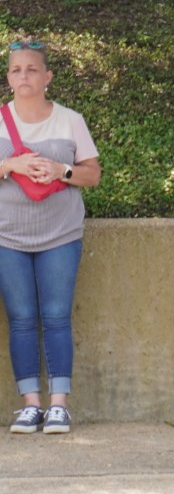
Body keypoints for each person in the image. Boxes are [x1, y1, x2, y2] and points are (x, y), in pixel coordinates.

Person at [0, 38, 102, 435]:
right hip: (7, 237)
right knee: (21, 319)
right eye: (16, 70)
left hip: (60, 235)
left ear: (48, 77)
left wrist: (62, 170)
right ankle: (31, 405)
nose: (23, 76)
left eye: (32, 69)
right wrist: (11, 164)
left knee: (57, 317)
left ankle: (59, 406)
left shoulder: (70, 120)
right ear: (9, 79)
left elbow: (92, 175)